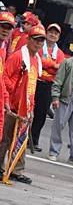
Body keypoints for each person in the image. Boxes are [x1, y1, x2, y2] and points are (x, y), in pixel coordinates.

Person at [0, 25, 45, 184]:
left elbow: (32, 86)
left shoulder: (37, 60)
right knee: (5, 138)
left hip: (26, 106)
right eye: (35, 39)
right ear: (28, 39)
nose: (38, 43)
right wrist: (14, 92)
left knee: (21, 140)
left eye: (41, 40)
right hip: (12, 106)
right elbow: (4, 77)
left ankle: (16, 170)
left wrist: (31, 107)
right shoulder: (18, 56)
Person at [31, 23, 65, 152]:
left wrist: (49, 66)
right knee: (27, 110)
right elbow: (38, 62)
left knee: (41, 114)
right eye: (50, 31)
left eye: (56, 33)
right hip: (35, 81)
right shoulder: (39, 47)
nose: (52, 34)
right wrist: (52, 65)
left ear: (59, 36)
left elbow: (60, 70)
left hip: (48, 86)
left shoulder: (60, 53)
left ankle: (34, 140)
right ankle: (21, 137)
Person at [0, 11, 16, 141]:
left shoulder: (3, 49)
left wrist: (5, 98)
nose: (5, 30)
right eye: (3, 26)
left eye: (9, 28)